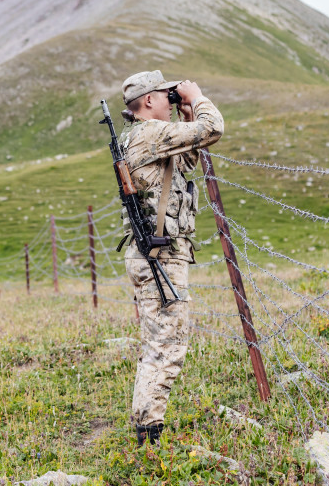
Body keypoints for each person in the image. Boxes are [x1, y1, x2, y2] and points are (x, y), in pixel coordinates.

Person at [118, 70, 224, 446]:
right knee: (168, 343)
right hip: (160, 258)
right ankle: (149, 435)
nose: (171, 97)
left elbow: (188, 160)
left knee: (159, 341)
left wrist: (182, 113)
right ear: (148, 101)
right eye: (165, 94)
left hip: (155, 254)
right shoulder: (150, 132)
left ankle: (147, 424)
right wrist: (196, 97)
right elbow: (213, 129)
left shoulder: (147, 135)